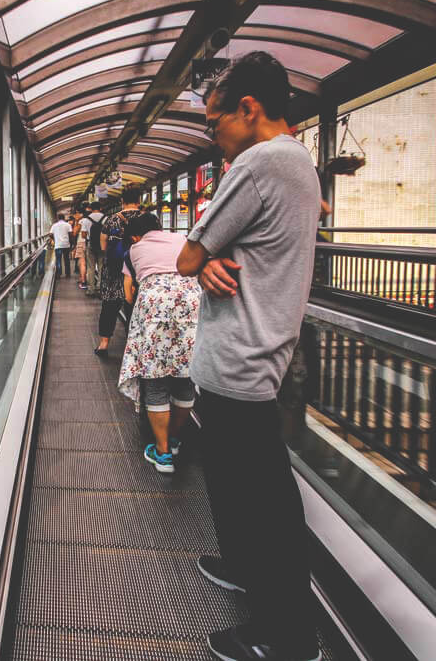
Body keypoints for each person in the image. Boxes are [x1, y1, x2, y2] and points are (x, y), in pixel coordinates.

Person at [176, 51, 321, 661]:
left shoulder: (259, 162)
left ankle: (287, 636)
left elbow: (187, 255)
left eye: (214, 122)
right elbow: (219, 252)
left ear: (249, 109)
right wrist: (210, 258)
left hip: (239, 360)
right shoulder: (301, 163)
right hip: (260, 354)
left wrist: (203, 257)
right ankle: (241, 567)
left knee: (266, 504)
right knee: (240, 487)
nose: (213, 135)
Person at [117, 213, 200, 474]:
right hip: (192, 302)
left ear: (134, 236)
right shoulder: (184, 239)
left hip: (154, 306)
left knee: (155, 380)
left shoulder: (133, 250)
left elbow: (128, 292)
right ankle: (174, 440)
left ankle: (163, 453)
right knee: (185, 377)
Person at [94, 188, 143, 356]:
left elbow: (103, 244)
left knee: (109, 305)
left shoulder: (112, 219)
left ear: (122, 201)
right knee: (136, 304)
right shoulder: (148, 219)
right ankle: (136, 345)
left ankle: (104, 344)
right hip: (138, 268)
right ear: (139, 200)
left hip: (114, 268)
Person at [84, 202, 105, 296]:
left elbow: (83, 234)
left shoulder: (86, 220)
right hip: (103, 245)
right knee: (102, 267)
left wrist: (90, 237)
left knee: (90, 267)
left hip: (91, 245)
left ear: (90, 209)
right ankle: (100, 288)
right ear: (100, 208)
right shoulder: (106, 218)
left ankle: (90, 289)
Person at [49, 212, 72, 277]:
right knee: (66, 259)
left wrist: (54, 239)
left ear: (58, 218)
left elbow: (50, 234)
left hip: (58, 245)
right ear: (64, 218)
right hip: (66, 244)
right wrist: (71, 242)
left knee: (58, 260)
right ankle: (67, 274)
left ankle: (59, 274)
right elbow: (71, 234)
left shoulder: (54, 225)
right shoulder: (68, 225)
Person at [71, 207, 88, 288]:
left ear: (80, 213)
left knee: (82, 263)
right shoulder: (89, 219)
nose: (75, 215)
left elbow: (74, 233)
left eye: (77, 213)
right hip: (91, 242)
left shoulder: (81, 221)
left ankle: (83, 281)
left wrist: (76, 221)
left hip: (81, 242)